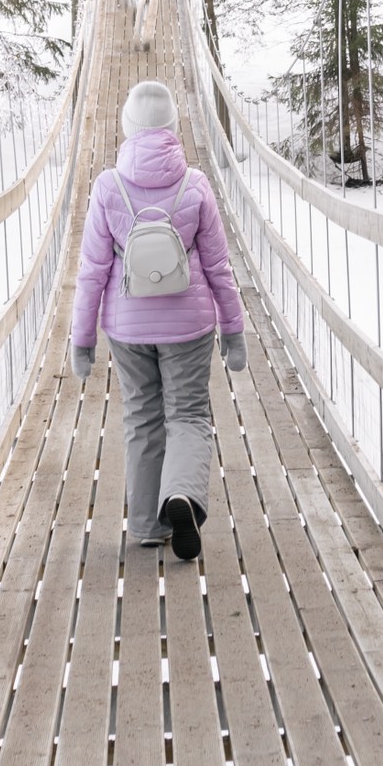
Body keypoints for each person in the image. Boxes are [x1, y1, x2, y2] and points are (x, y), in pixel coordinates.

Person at [70, 79, 246, 562]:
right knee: (188, 415)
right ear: (172, 129)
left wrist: (81, 339)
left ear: (127, 128)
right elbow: (217, 267)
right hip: (189, 325)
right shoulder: (195, 184)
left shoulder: (107, 187)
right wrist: (233, 329)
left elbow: (91, 272)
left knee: (142, 417)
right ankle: (183, 497)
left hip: (127, 328)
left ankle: (148, 524)